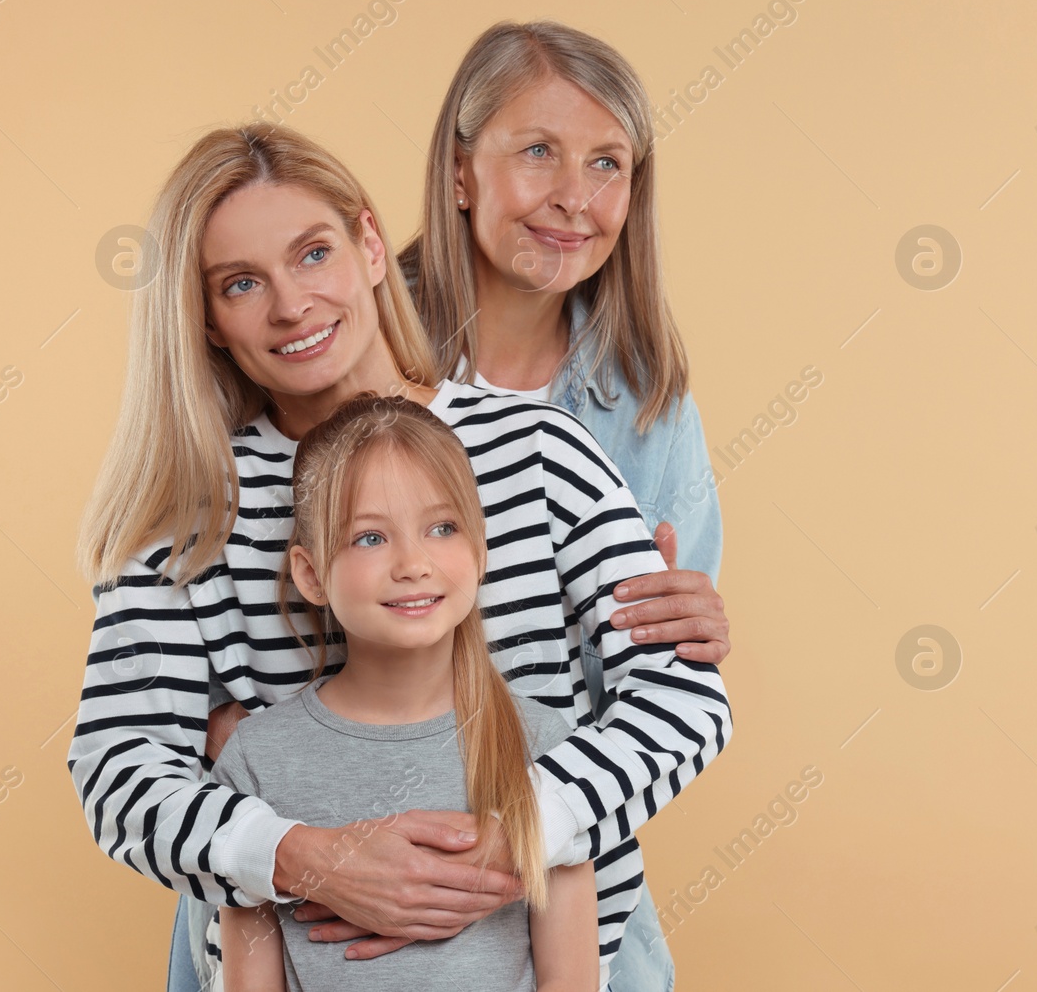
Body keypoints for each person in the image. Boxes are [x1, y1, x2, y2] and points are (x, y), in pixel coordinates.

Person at [67, 122, 732, 992]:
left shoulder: (539, 453)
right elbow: (120, 766)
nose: (292, 305)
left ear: (371, 244)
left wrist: (519, 832)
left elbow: (682, 699)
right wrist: (304, 857)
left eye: (313, 254)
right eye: (241, 283)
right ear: (207, 320)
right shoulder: (188, 526)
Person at [399, 22, 727, 988]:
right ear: (460, 172)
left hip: (566, 908)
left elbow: (660, 690)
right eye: (537, 151)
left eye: (607, 164)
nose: (574, 199)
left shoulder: (649, 407)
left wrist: (693, 625)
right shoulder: (345, 346)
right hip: (344, 894)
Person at [215, 392, 596, 992]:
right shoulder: (255, 759)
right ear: (311, 575)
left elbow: (570, 983)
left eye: (442, 528)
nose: (413, 563)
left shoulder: (548, 749)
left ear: (479, 548)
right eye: (370, 538)